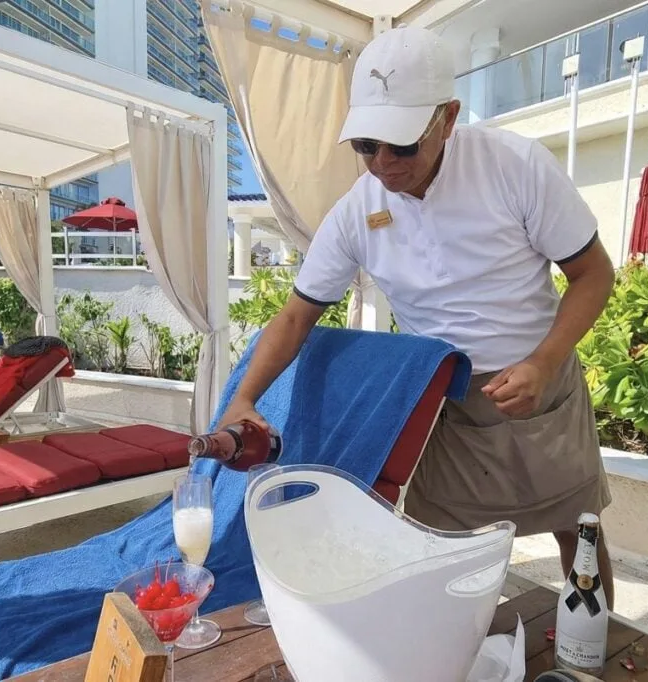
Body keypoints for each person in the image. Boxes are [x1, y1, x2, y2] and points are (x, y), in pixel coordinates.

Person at [217, 26, 617, 607]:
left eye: (402, 146)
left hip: (541, 384)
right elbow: (295, 317)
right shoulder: (358, 211)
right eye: (366, 146)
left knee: (575, 528)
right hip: (442, 401)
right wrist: (243, 398)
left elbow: (594, 274)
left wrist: (544, 362)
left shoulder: (515, 165)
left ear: (448, 117)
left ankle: (597, 640)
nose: (383, 164)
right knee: (435, 544)